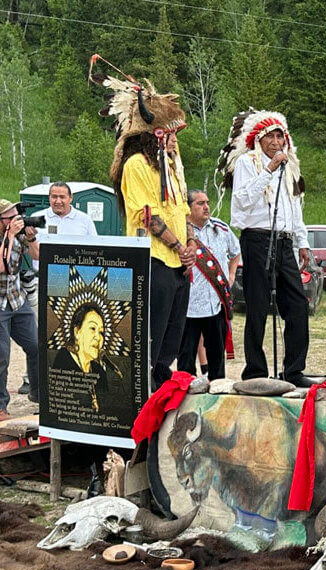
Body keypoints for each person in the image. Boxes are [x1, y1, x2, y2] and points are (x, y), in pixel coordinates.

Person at [98, 74, 195, 391]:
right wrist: (179, 246)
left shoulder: (171, 166)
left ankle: (162, 391)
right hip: (153, 261)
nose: (174, 141)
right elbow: (146, 216)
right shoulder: (137, 165)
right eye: (170, 134)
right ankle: (141, 398)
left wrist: (190, 244)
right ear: (154, 135)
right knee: (149, 340)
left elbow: (182, 210)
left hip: (179, 263)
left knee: (172, 338)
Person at [219, 110, 314, 387]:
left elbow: (293, 206)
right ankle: (255, 371)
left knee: (297, 304)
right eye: (270, 137)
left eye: (279, 136)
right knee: (258, 306)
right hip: (257, 239)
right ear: (259, 140)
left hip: (284, 240)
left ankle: (294, 370)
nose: (276, 142)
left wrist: (302, 241)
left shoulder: (289, 166)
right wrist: (269, 169)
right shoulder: (248, 162)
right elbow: (243, 201)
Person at [18, 181, 99, 395]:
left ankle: (72, 375)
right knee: (40, 331)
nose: (58, 201)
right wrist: (31, 238)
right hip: (44, 281)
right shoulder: (38, 219)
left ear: (71, 199)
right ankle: (32, 379)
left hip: (76, 284)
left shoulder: (84, 220)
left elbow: (95, 250)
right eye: (54, 196)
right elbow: (34, 254)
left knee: (72, 330)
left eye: (62, 196)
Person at [176, 189, 240, 381]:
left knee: (216, 357)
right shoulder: (179, 231)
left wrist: (231, 274)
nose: (206, 207)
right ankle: (185, 395)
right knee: (186, 358)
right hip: (189, 304)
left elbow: (235, 252)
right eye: (200, 203)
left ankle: (217, 392)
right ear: (188, 208)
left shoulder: (221, 228)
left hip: (215, 302)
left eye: (207, 202)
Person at [0, 199, 39, 420]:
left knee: (35, 346)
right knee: (2, 355)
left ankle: (38, 395)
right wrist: (10, 236)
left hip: (16, 299)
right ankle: (0, 405)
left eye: (17, 217)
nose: (16, 221)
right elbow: (2, 265)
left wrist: (31, 237)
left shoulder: (18, 235)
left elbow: (37, 255)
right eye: (10, 218)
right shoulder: (9, 236)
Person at [51, 302, 119, 413]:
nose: (98, 337)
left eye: (101, 332)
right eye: (92, 328)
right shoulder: (63, 360)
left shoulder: (98, 370)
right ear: (77, 331)